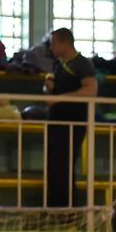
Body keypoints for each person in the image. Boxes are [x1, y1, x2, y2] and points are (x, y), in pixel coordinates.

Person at [44, 28, 97, 208]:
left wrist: (60, 98)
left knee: (63, 169)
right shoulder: (58, 64)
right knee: (53, 169)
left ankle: (68, 213)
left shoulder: (82, 63)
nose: (51, 47)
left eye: (53, 43)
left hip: (73, 122)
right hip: (56, 121)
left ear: (64, 43)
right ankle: (53, 211)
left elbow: (91, 90)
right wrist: (50, 89)